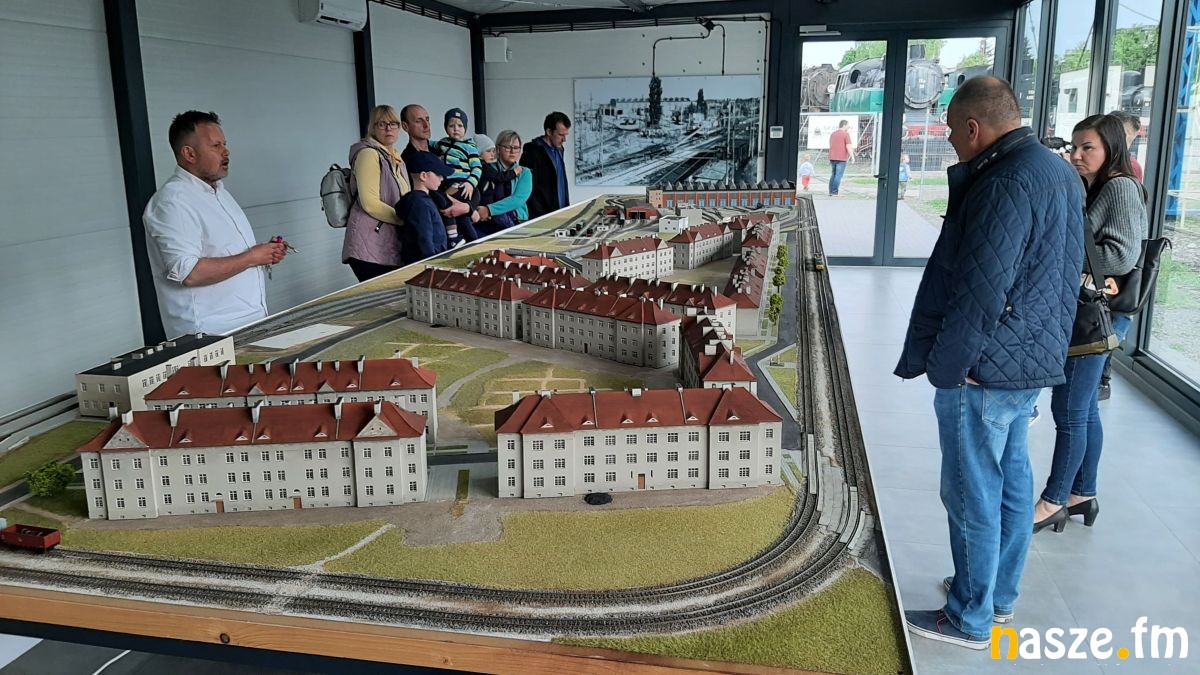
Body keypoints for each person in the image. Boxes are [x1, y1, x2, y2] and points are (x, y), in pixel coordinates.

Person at [894, 77, 1084, 650]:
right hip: (1029, 359)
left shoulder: (1001, 182)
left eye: (952, 131)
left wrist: (951, 368)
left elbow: (978, 292)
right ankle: (997, 595)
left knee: (970, 490)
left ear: (974, 128)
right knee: (1010, 483)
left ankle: (969, 616)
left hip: (986, 368)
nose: (951, 141)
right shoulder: (1055, 170)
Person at [1034, 114, 1148, 533]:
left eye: (1088, 148)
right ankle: (1083, 492)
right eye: (1075, 146)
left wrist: (1063, 252)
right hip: (1097, 311)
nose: (1077, 155)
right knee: (1083, 410)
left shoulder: (1119, 187)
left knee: (1069, 409)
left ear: (1111, 149)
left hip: (1100, 315)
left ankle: (1053, 501)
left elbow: (1121, 256)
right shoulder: (1097, 184)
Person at [143, 111, 287, 338]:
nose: (226, 152)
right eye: (216, 146)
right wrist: (252, 257)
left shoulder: (218, 192)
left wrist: (265, 253)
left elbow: (226, 252)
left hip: (247, 324)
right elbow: (189, 273)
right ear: (189, 153)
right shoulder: (173, 202)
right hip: (211, 335)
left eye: (225, 144)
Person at [1097, 109, 1145, 400]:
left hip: (1113, 287)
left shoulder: (1122, 181)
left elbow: (1121, 254)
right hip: (1107, 289)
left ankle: (1102, 380)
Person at [341, 104, 410, 282]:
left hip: (387, 243)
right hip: (369, 245)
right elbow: (369, 203)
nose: (388, 128)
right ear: (373, 127)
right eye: (382, 124)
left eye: (393, 124)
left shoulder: (395, 157)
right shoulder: (368, 154)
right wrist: (405, 220)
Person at [399, 104, 471, 234]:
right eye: (418, 121)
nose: (426, 125)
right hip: (436, 224)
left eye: (427, 119)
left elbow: (467, 175)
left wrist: (469, 207)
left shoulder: (443, 150)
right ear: (405, 126)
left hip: (464, 214)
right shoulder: (407, 159)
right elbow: (420, 193)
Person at [432, 107, 483, 243]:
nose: (456, 129)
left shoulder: (469, 146)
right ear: (445, 128)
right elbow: (428, 143)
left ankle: (454, 238)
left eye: (460, 126)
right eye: (451, 126)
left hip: (461, 184)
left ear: (465, 128)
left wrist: (470, 183)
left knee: (445, 205)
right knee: (462, 217)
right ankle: (471, 239)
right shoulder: (442, 143)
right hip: (445, 183)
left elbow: (477, 167)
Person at [396, 151, 453, 264]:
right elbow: (424, 237)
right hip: (426, 262)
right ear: (423, 176)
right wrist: (432, 262)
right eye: (438, 174)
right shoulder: (419, 203)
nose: (442, 178)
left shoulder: (421, 200)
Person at [475, 130, 532, 236]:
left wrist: (489, 210)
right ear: (498, 149)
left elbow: (517, 200)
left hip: (515, 221)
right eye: (508, 147)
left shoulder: (524, 172)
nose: (512, 151)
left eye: (516, 148)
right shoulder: (488, 169)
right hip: (486, 221)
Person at [522, 111, 571, 219]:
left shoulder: (559, 149)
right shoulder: (532, 151)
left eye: (565, 135)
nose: (564, 140)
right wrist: (539, 214)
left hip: (561, 212)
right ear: (549, 131)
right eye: (561, 135)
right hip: (542, 215)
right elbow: (528, 187)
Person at [827, 119, 854, 196]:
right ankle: (834, 192)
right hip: (841, 158)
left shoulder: (833, 134)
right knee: (838, 175)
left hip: (832, 157)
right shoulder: (846, 134)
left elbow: (831, 144)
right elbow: (848, 146)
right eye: (848, 126)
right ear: (844, 125)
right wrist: (852, 156)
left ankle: (831, 191)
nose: (848, 127)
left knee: (833, 174)